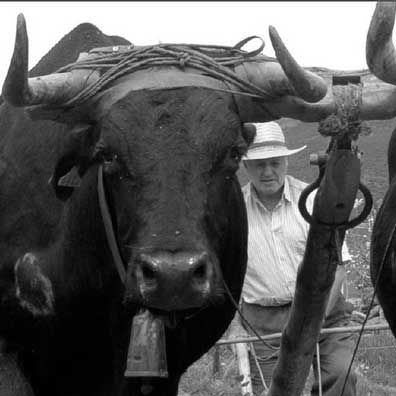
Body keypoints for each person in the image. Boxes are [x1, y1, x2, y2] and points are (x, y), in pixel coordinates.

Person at [236, 121, 357, 396]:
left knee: (341, 374)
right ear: (246, 167)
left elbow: (338, 266)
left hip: (325, 310)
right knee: (272, 391)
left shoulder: (315, 199)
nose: (268, 171)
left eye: (275, 162)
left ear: (287, 162)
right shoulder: (235, 213)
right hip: (265, 320)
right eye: (259, 164)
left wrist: (314, 317)